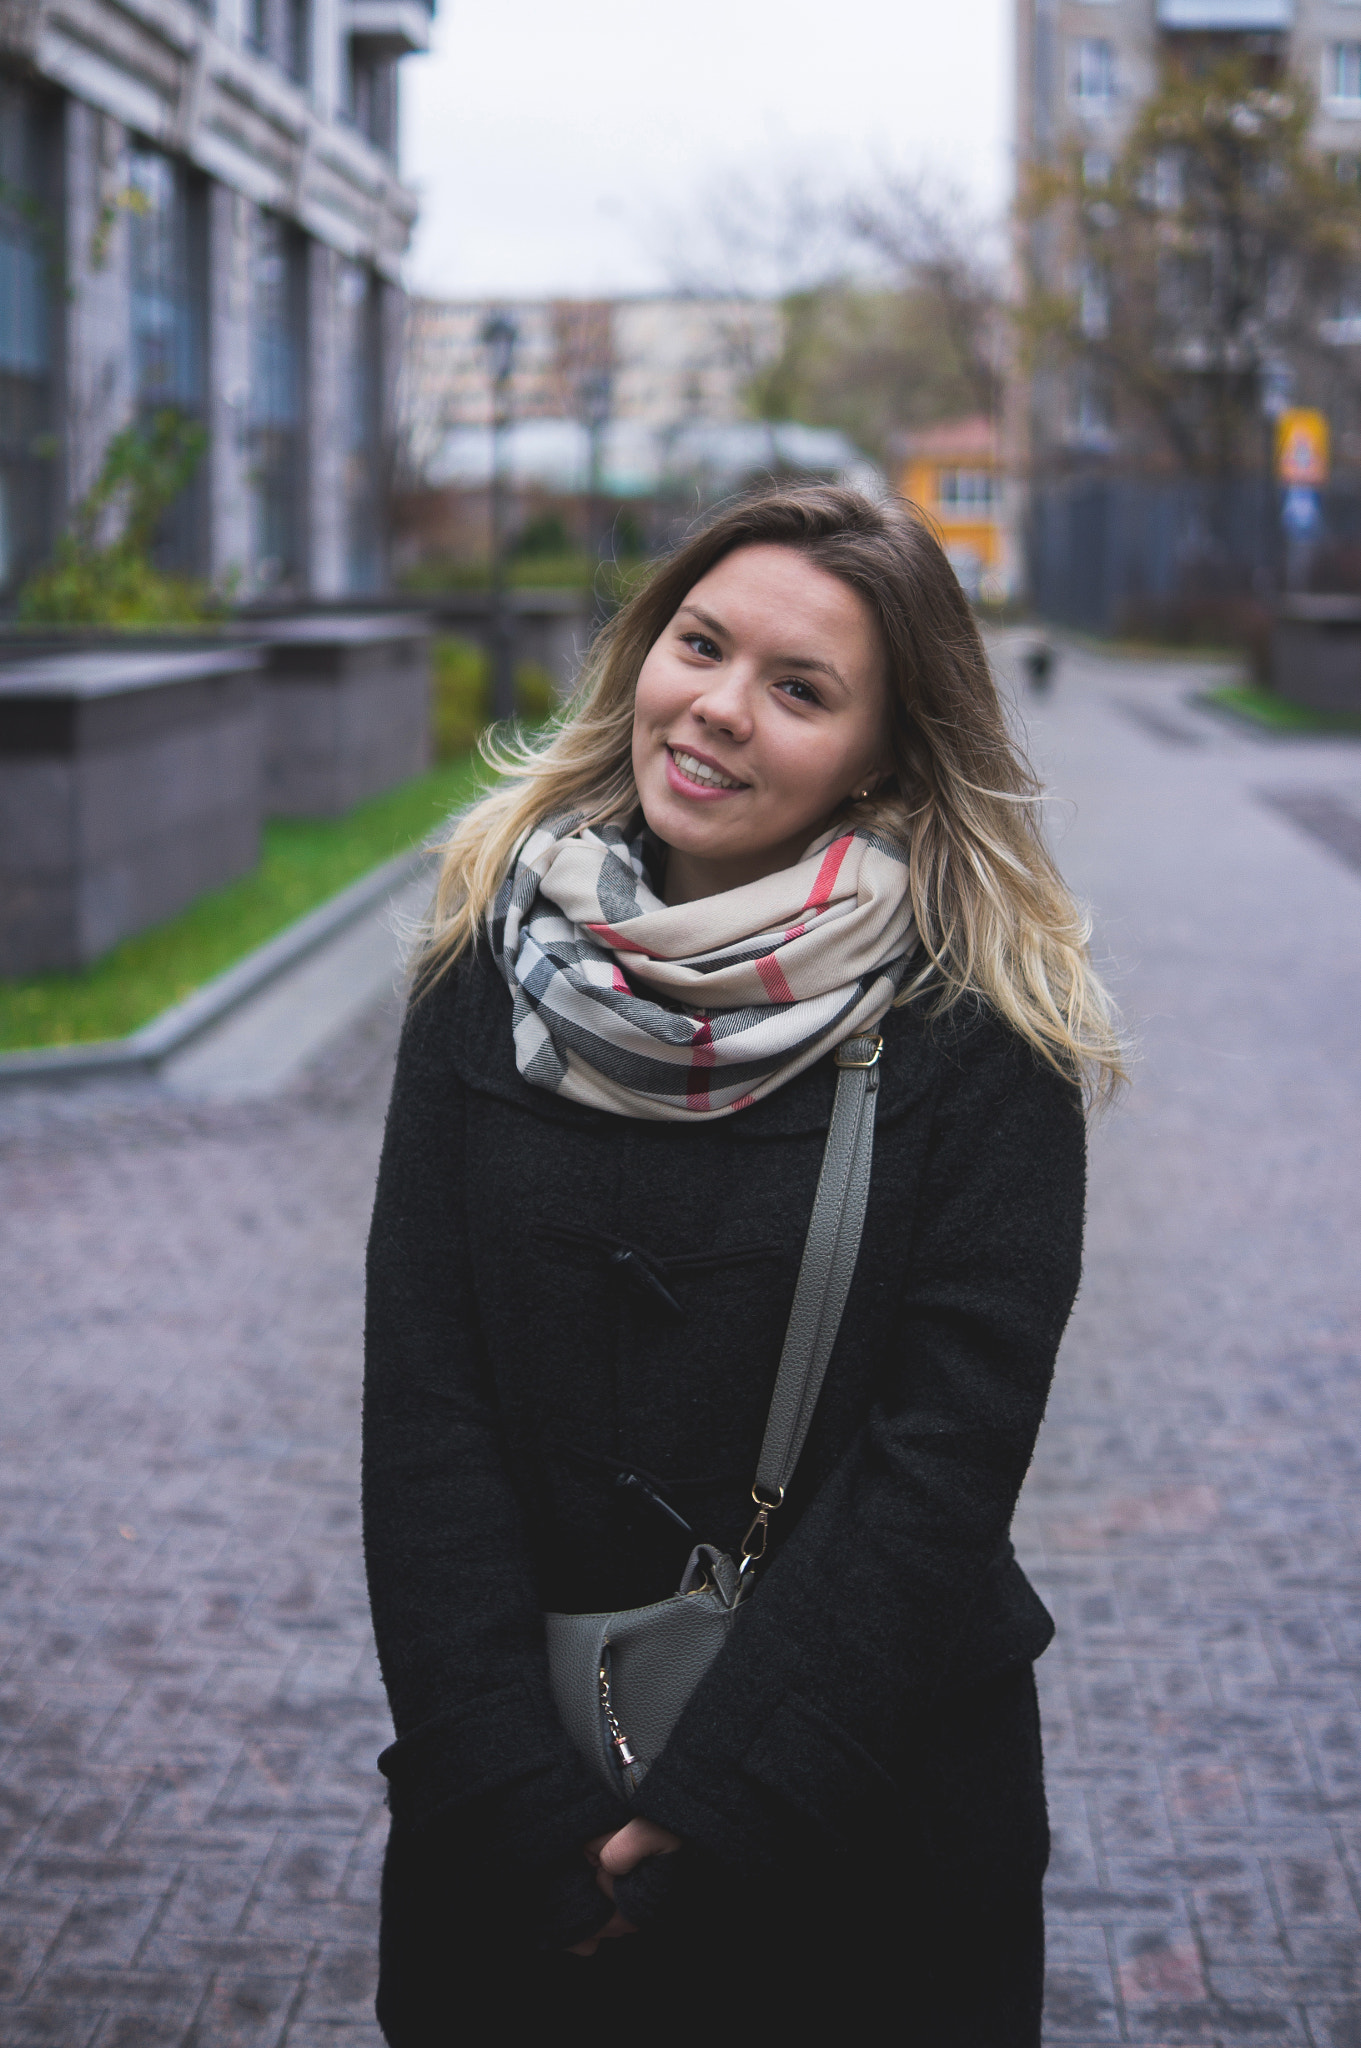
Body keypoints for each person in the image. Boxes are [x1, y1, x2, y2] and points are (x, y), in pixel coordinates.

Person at [362, 483, 1125, 2044]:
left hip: (867, 1819)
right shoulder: (487, 957)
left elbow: (943, 1460)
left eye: (799, 689)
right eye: (697, 644)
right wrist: (499, 1784)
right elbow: (425, 1405)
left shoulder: (983, 1023)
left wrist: (726, 1804)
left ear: (886, 750)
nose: (713, 709)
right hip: (520, 1820)